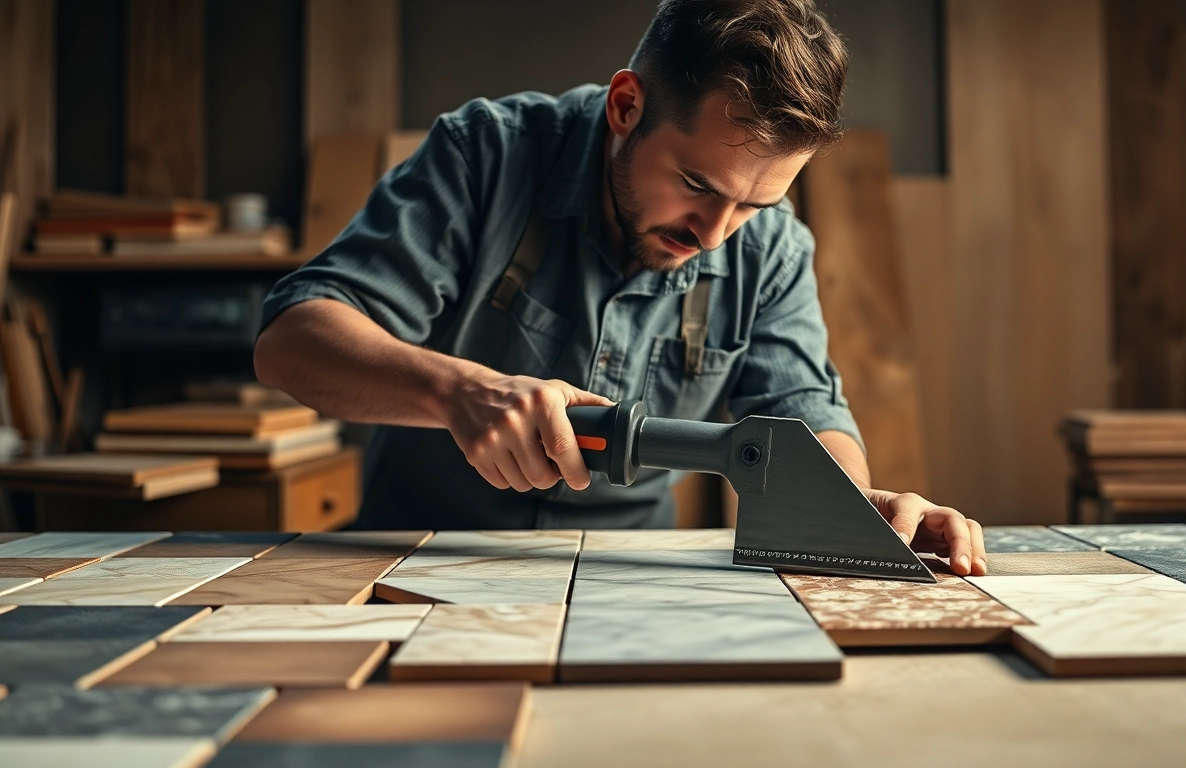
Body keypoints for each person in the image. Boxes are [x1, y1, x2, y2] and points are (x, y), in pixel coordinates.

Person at [254, 0, 988, 575]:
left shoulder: (770, 244)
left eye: (752, 206)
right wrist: (457, 392)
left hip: (627, 573)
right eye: (696, 184)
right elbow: (291, 344)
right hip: (413, 551)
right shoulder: (485, 155)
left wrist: (853, 509)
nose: (715, 232)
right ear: (626, 106)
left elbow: (801, 408)